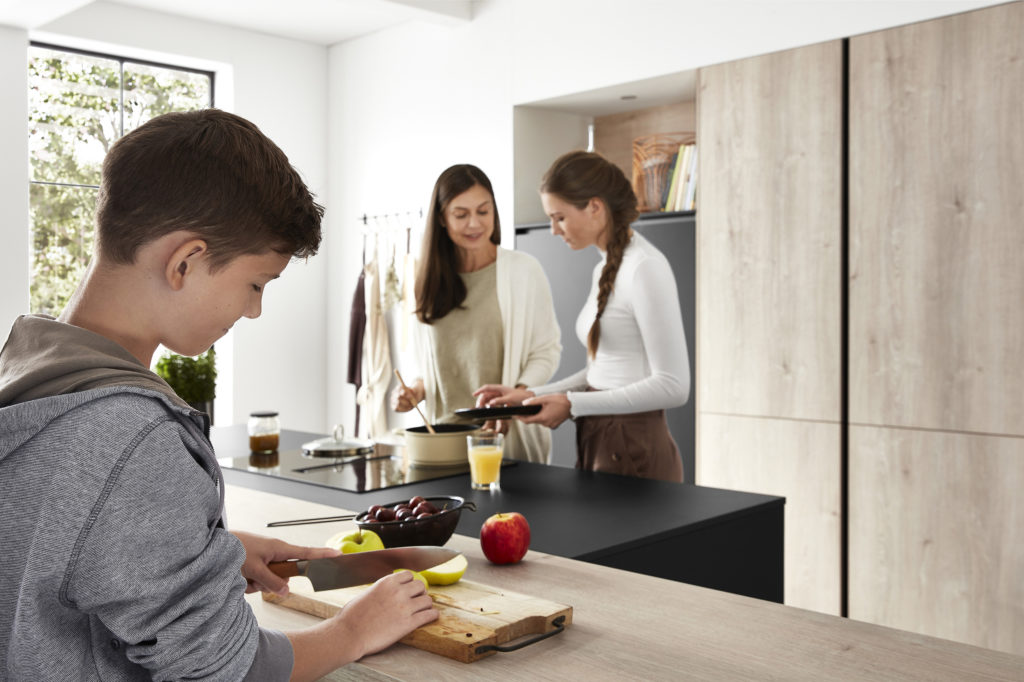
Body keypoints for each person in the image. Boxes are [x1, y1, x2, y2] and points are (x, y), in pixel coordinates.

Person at [0, 109, 437, 681]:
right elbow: (224, 671)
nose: (254, 309)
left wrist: (204, 552)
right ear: (185, 261)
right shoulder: (134, 439)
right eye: (256, 284)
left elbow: (54, 547)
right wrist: (352, 631)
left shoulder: (24, 380)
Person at [475, 150, 690, 482]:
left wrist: (573, 404)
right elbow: (602, 372)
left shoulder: (644, 267)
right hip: (602, 436)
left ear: (595, 207)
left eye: (559, 217)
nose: (553, 230)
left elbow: (674, 386)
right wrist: (532, 395)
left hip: (635, 446)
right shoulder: (606, 266)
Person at [391, 164, 561, 463]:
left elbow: (546, 351)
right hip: (442, 444)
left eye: (483, 211)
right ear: (442, 218)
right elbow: (428, 368)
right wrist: (414, 391)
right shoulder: (424, 279)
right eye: (461, 214)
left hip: (505, 442)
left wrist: (516, 398)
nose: (474, 224)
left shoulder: (524, 271)